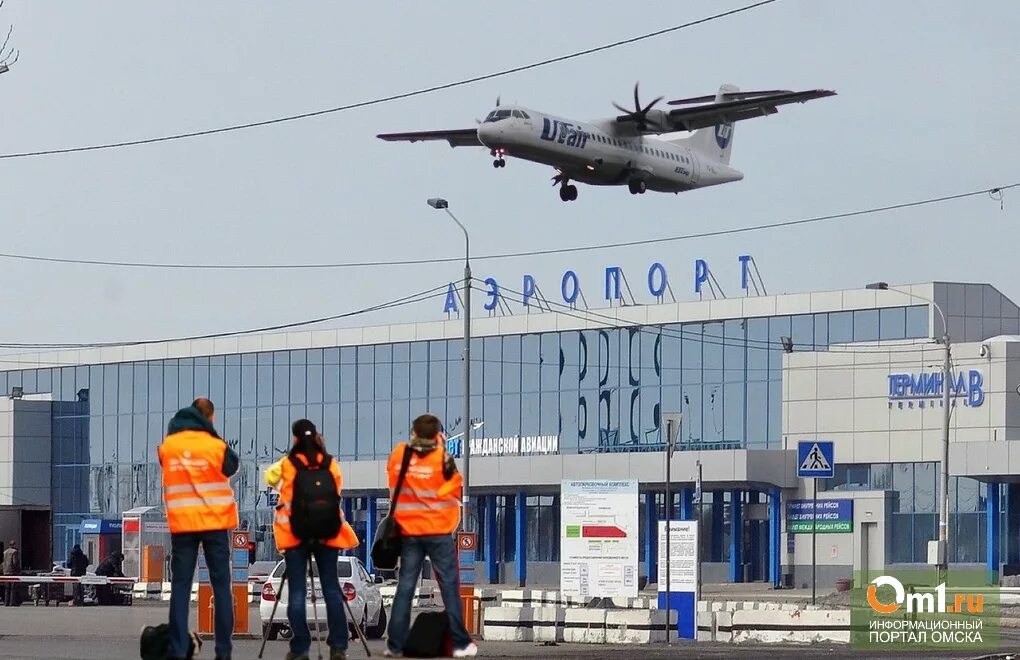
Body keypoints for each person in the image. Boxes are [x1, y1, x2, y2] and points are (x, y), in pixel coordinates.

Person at [384, 414, 477, 658]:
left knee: (405, 586)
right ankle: (460, 643)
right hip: (438, 533)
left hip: (411, 533)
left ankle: (395, 643)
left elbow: (393, 492)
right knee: (449, 587)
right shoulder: (443, 460)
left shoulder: (400, 456)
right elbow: (455, 498)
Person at [265, 419, 359, 660]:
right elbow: (336, 492)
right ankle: (338, 646)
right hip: (327, 534)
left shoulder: (288, 464)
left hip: (296, 536)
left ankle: (300, 647)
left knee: (296, 592)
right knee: (331, 588)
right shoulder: (331, 465)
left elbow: (269, 478)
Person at [158, 398, 239, 660]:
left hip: (183, 524)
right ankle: (224, 651)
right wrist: (213, 436)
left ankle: (179, 649)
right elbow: (232, 466)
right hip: (214, 523)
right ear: (209, 418)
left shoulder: (168, 446)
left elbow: (165, 461)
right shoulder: (215, 445)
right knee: (221, 587)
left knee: (180, 587)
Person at [2, 541, 19, 607]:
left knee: (7, 587)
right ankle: (12, 602)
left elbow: (4, 561)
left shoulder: (5, 552)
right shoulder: (14, 551)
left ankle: (6, 602)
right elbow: (14, 562)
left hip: (5, 571)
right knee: (13, 587)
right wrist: (17, 569)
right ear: (14, 545)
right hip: (12, 571)